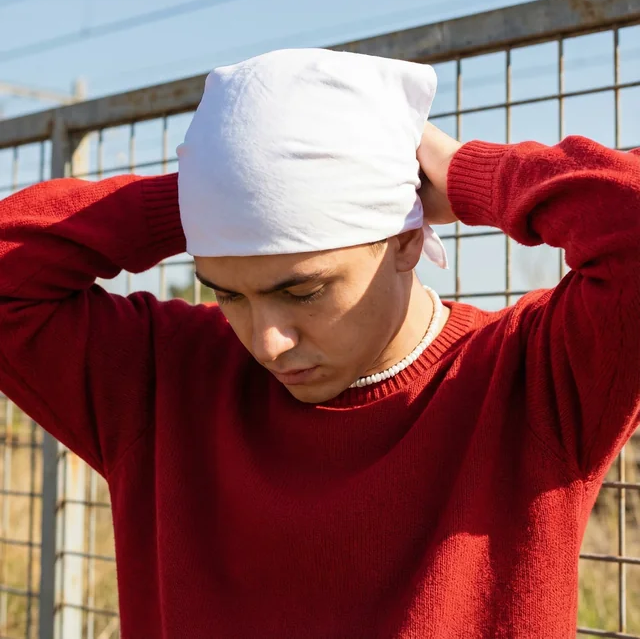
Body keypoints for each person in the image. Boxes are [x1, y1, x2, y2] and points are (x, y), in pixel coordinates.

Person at [0, 48, 638, 639]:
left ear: (405, 241)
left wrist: (469, 172)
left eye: (303, 291)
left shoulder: (535, 379)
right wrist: (211, 192)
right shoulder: (163, 378)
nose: (267, 343)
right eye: (228, 294)